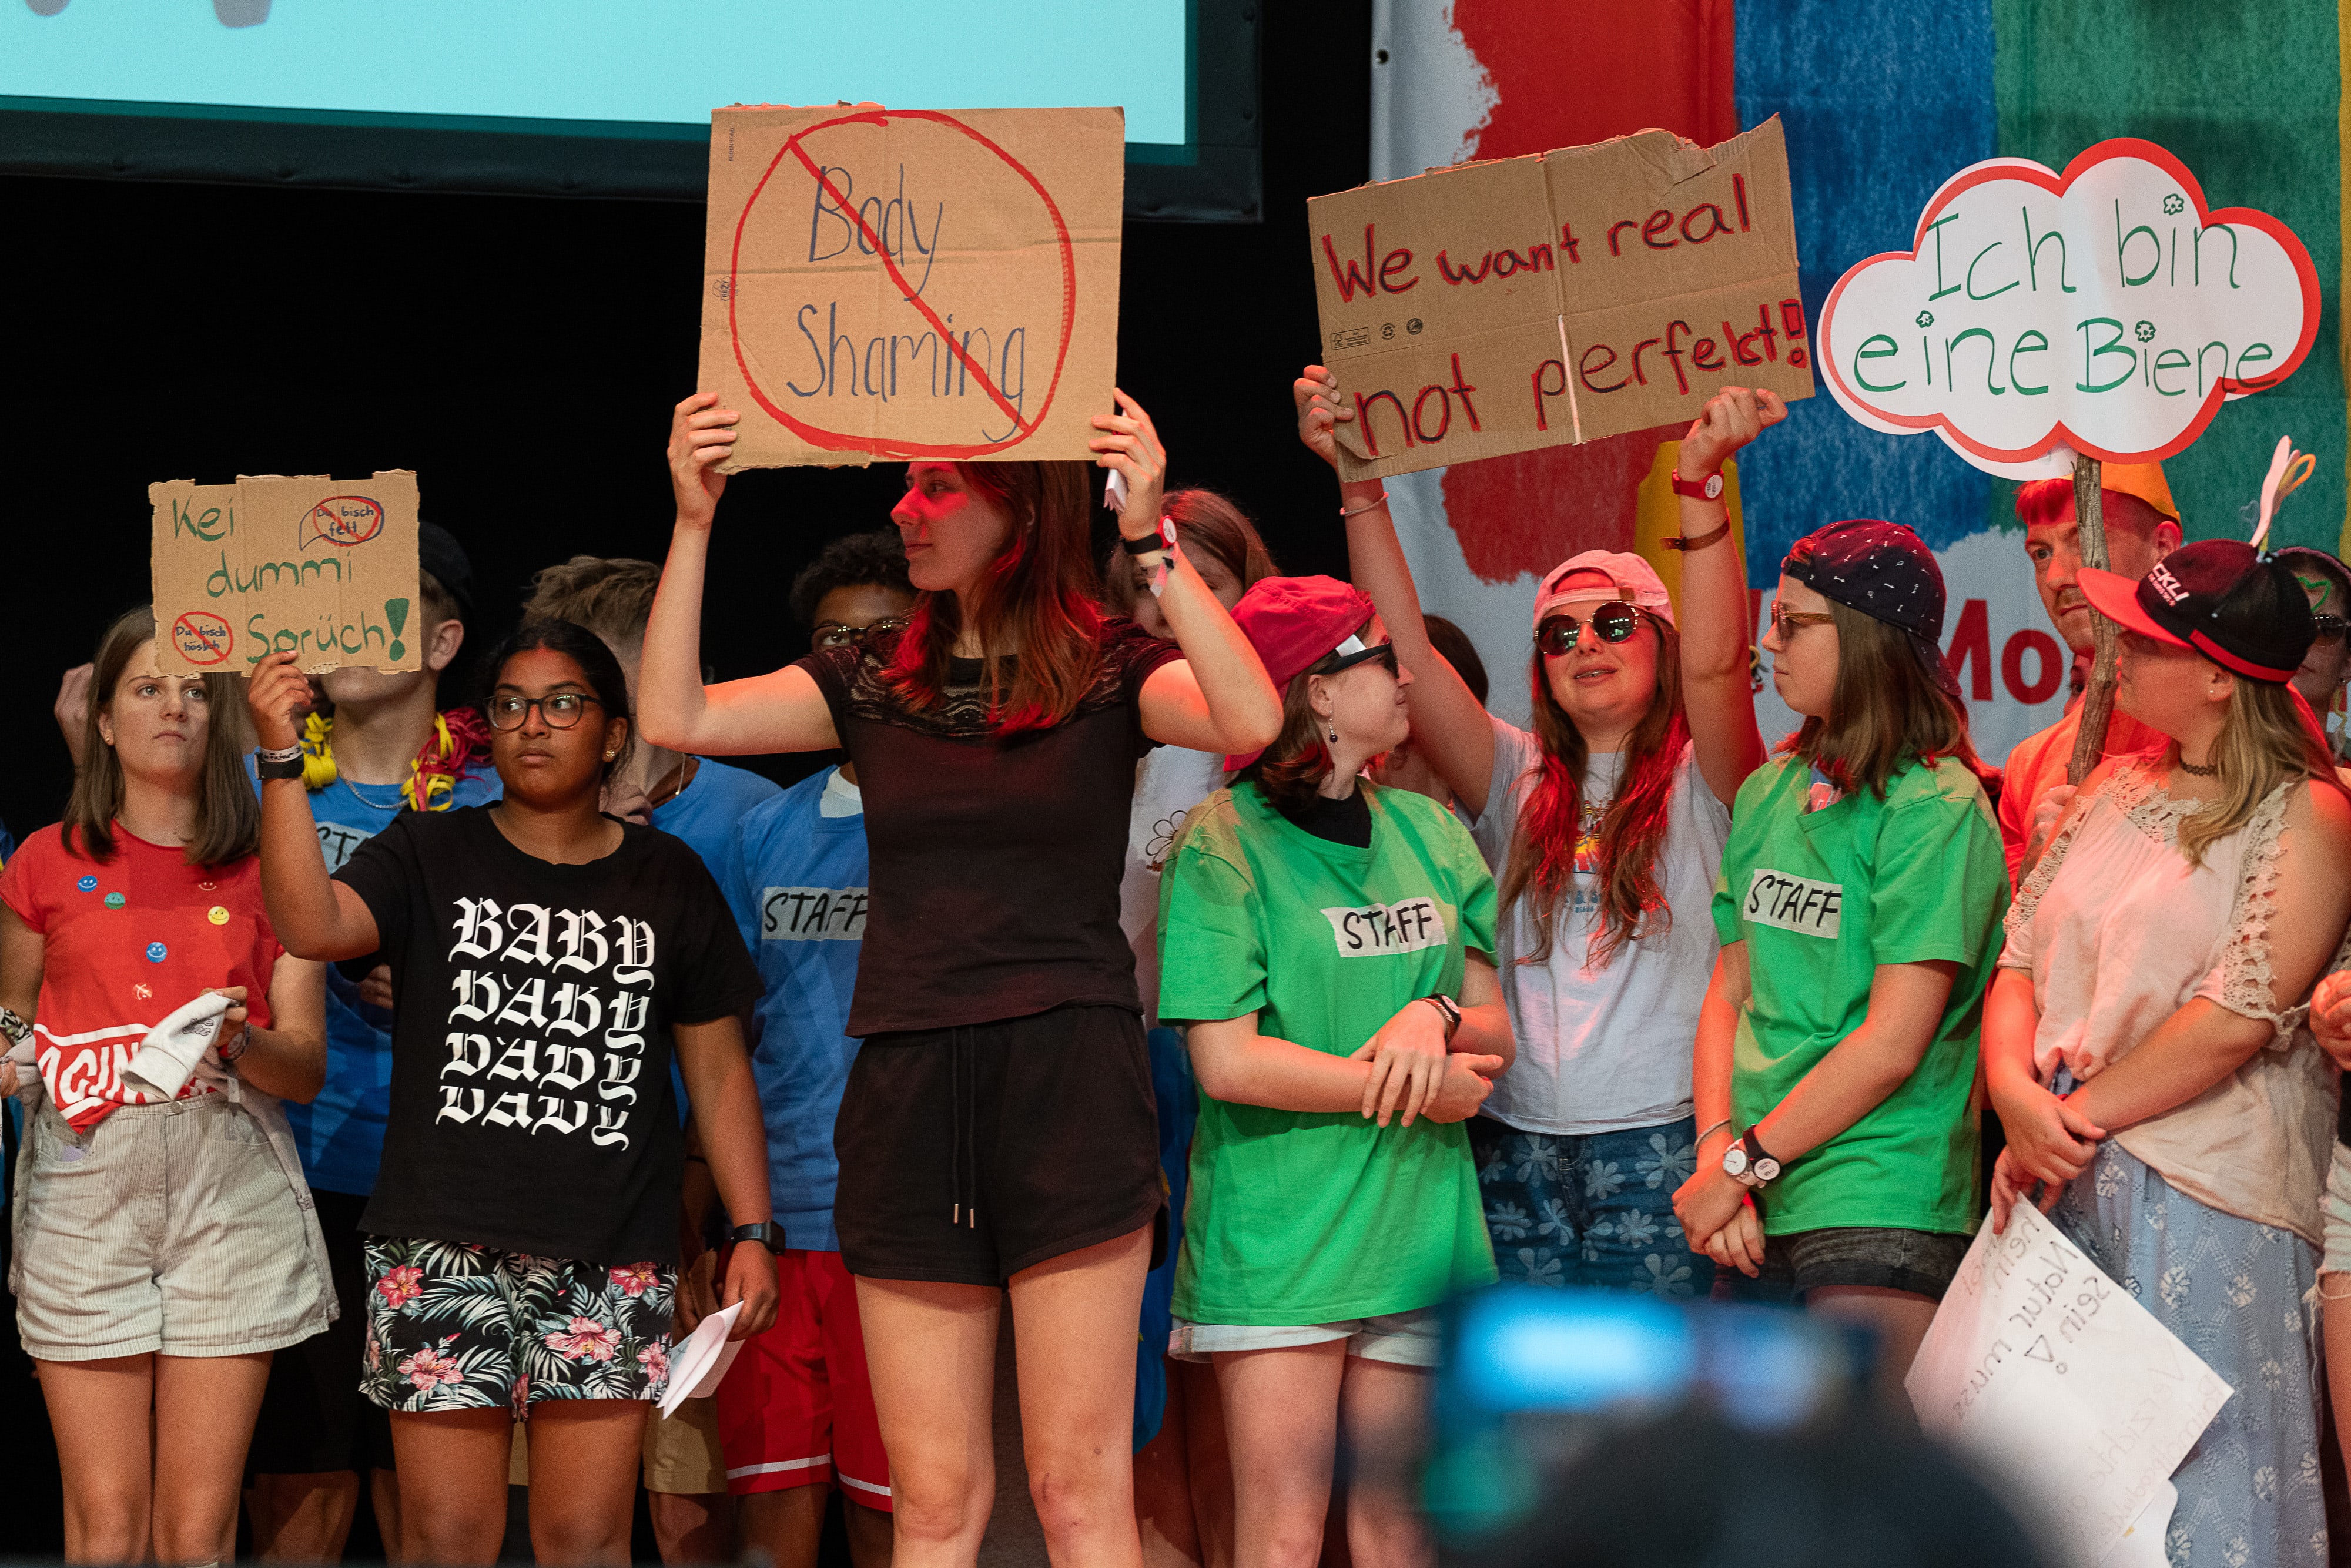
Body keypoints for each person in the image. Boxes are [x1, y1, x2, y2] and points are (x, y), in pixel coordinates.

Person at [639, 386, 1280, 1568]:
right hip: (910, 1088)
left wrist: (1151, 539)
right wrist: (693, 517)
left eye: (938, 486)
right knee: (931, 1499)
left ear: (1020, 508)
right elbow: (674, 713)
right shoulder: (875, 674)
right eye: (908, 484)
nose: (906, 509)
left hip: (1069, 1085)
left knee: (1076, 1488)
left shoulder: (1108, 664)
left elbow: (1248, 716)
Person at [245, 620, 780, 1566]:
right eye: (511, 705)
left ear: (615, 734)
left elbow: (718, 1068)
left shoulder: (668, 876)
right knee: (447, 1537)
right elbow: (311, 925)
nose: (534, 724)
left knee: (585, 1538)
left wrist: (751, 1230)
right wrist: (282, 761)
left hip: (611, 1245)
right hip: (441, 1239)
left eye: (564, 704)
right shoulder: (430, 849)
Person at [1294, 368, 1775, 1299]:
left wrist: (1701, 485)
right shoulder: (1512, 773)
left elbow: (1720, 671)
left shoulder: (1705, 780)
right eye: (1560, 634)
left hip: (1662, 1134)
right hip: (1508, 1137)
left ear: (1661, 642)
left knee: (1645, 1387)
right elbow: (1407, 651)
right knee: (1524, 1391)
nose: (1585, 643)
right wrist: (1359, 484)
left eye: (1615, 623)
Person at [1991, 541, 2351, 1568]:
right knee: (2067, 1504)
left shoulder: (2309, 812)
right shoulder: (2110, 785)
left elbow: (2238, 1014)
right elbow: (2018, 959)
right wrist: (2014, 1093)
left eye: (2146, 641)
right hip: (2058, 1173)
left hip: (2206, 1190)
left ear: (2219, 676)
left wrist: (2063, 1116)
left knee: (2204, 1508)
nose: (2118, 654)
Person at [1158, 573, 1508, 1568]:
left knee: (1402, 1532)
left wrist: (1435, 1014)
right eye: (1384, 657)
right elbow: (1226, 1061)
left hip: (1420, 1231)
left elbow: (1496, 1026)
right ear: (1317, 691)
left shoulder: (1432, 831)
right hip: (1282, 1239)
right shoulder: (1222, 843)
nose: (1409, 677)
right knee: (1281, 1536)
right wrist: (1415, 1085)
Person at [3, 607, 331, 1565]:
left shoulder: (274, 867)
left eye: (196, 690)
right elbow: (15, 1020)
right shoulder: (43, 860)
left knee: (197, 1533)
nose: (176, 707)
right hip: (82, 1183)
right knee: (107, 1525)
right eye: (148, 688)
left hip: (227, 1185)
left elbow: (304, 1064)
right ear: (104, 720)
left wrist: (239, 1038)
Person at [1671, 520, 2010, 1402]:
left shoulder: (1934, 806)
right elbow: (1730, 989)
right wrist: (1719, 1154)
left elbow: (1892, 1043)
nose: (1768, 643)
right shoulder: (1768, 789)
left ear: (1867, 638)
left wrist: (1741, 1167)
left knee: (1861, 1472)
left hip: (1876, 1187)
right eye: (1772, 618)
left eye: (1793, 623)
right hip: (1756, 1184)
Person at [245, 521, 494, 1563]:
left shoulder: (502, 796)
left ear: (442, 641)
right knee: (297, 1467)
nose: (343, 631)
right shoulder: (261, 781)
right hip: (288, 1171)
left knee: (429, 1488)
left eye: (378, 609)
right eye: (331, 610)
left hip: (455, 1178)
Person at [709, 532, 916, 1568]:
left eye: (889, 633)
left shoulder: (968, 815)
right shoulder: (766, 830)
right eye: (837, 638)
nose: (862, 655)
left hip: (911, 1227)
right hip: (781, 1223)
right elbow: (726, 1039)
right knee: (773, 1520)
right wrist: (725, 1215)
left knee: (897, 1520)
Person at [1105, 489, 1279, 1568]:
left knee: (1236, 1356)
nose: (1170, 608)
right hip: (1130, 1068)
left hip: (1252, 1069)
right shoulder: (1105, 724)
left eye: (1202, 585)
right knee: (1146, 1363)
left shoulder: (1277, 735)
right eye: (1146, 588)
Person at [1998, 465, 2182, 880]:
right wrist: (2036, 873)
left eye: (2085, 541)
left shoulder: (2239, 714)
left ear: (2164, 547)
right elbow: (2016, 920)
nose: (2057, 577)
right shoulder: (2028, 765)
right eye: (2041, 554)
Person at [2274, 545, 2351, 757]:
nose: (2299, 640)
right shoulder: (2198, 763)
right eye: (2279, 622)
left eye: (2324, 629)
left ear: (2348, 663)